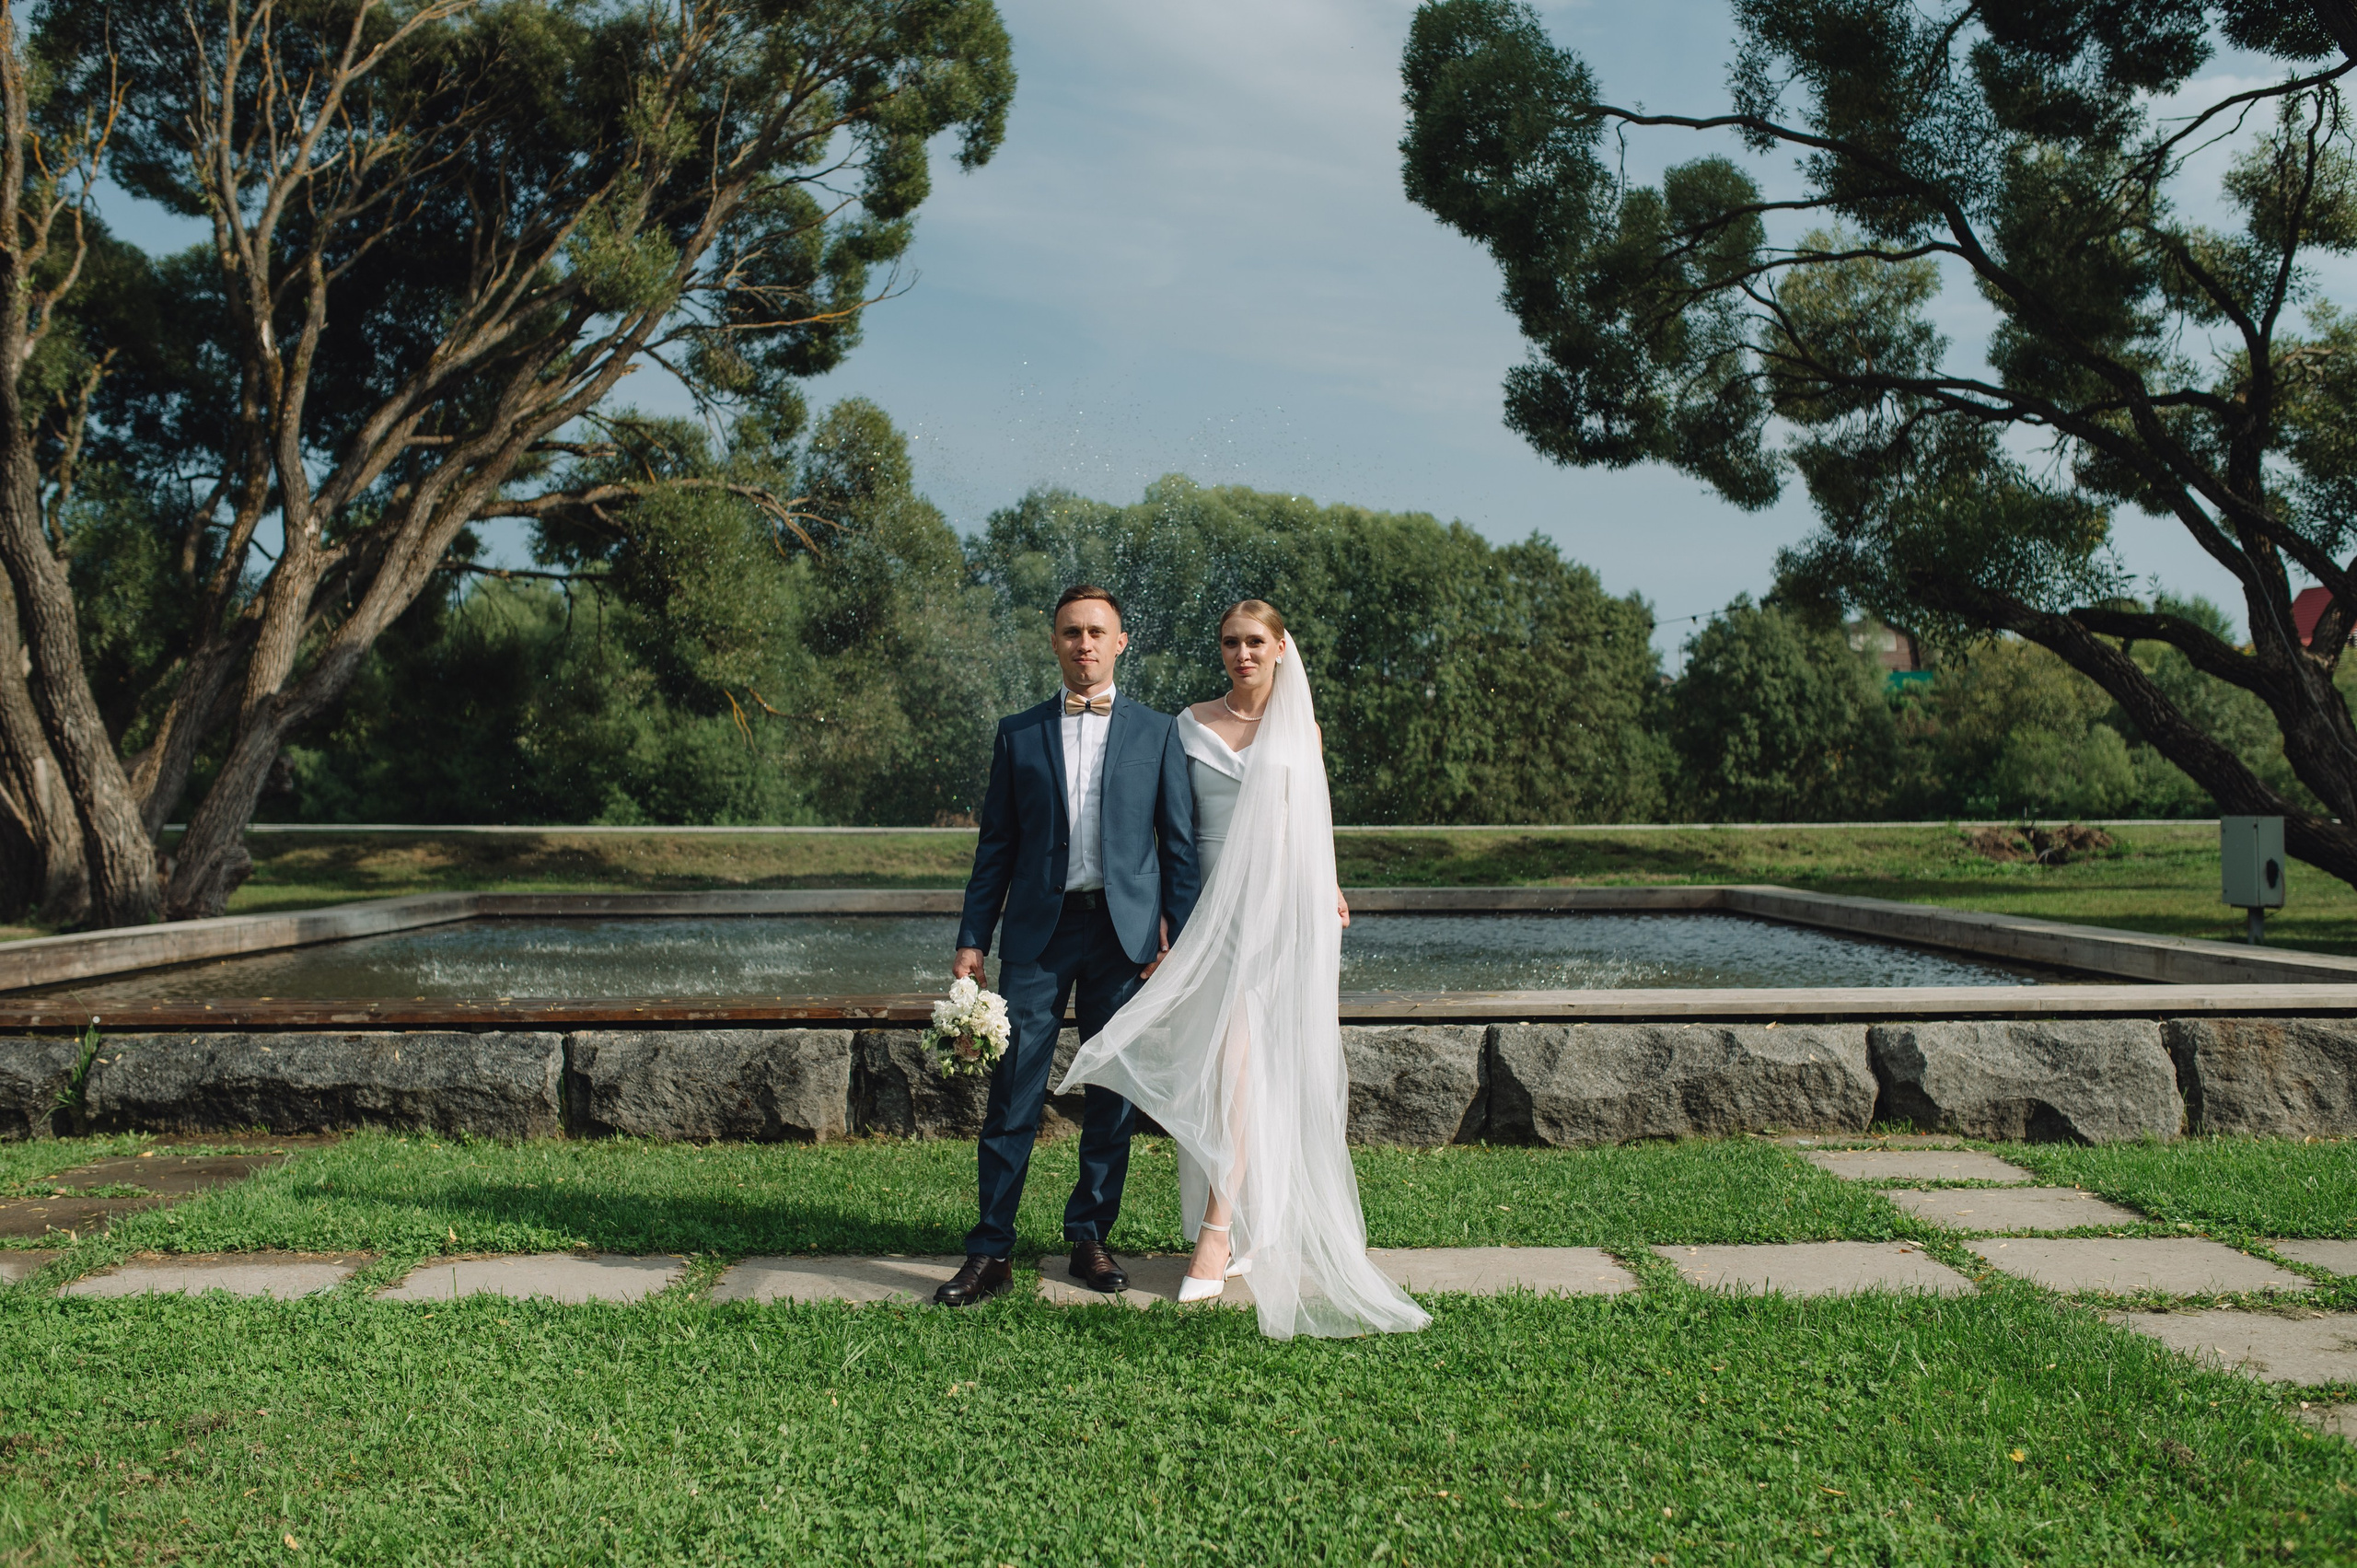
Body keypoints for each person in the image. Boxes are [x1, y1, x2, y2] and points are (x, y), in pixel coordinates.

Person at [1060, 601, 1431, 1340]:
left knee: (1250, 1064)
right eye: (1230, 642)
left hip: (1285, 914)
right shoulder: (1188, 726)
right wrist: (1167, 915)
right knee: (1229, 1063)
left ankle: (1219, 1227)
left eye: (1255, 641)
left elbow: (1313, 820)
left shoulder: (1303, 730)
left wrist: (1328, 886)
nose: (1242, 653)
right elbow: (1171, 830)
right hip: (1214, 915)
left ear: (1281, 647)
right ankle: (1232, 1218)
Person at [933, 585, 1202, 1307]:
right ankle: (991, 1250)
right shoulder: (1018, 733)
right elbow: (996, 846)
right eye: (1070, 631)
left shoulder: (1157, 732)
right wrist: (971, 940)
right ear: (1054, 642)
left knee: (1112, 1092)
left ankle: (1090, 1235)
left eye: (1096, 632)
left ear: (1120, 642)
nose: (1083, 643)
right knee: (1012, 1089)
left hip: (1126, 937)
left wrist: (1179, 936)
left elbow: (1177, 847)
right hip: (1037, 936)